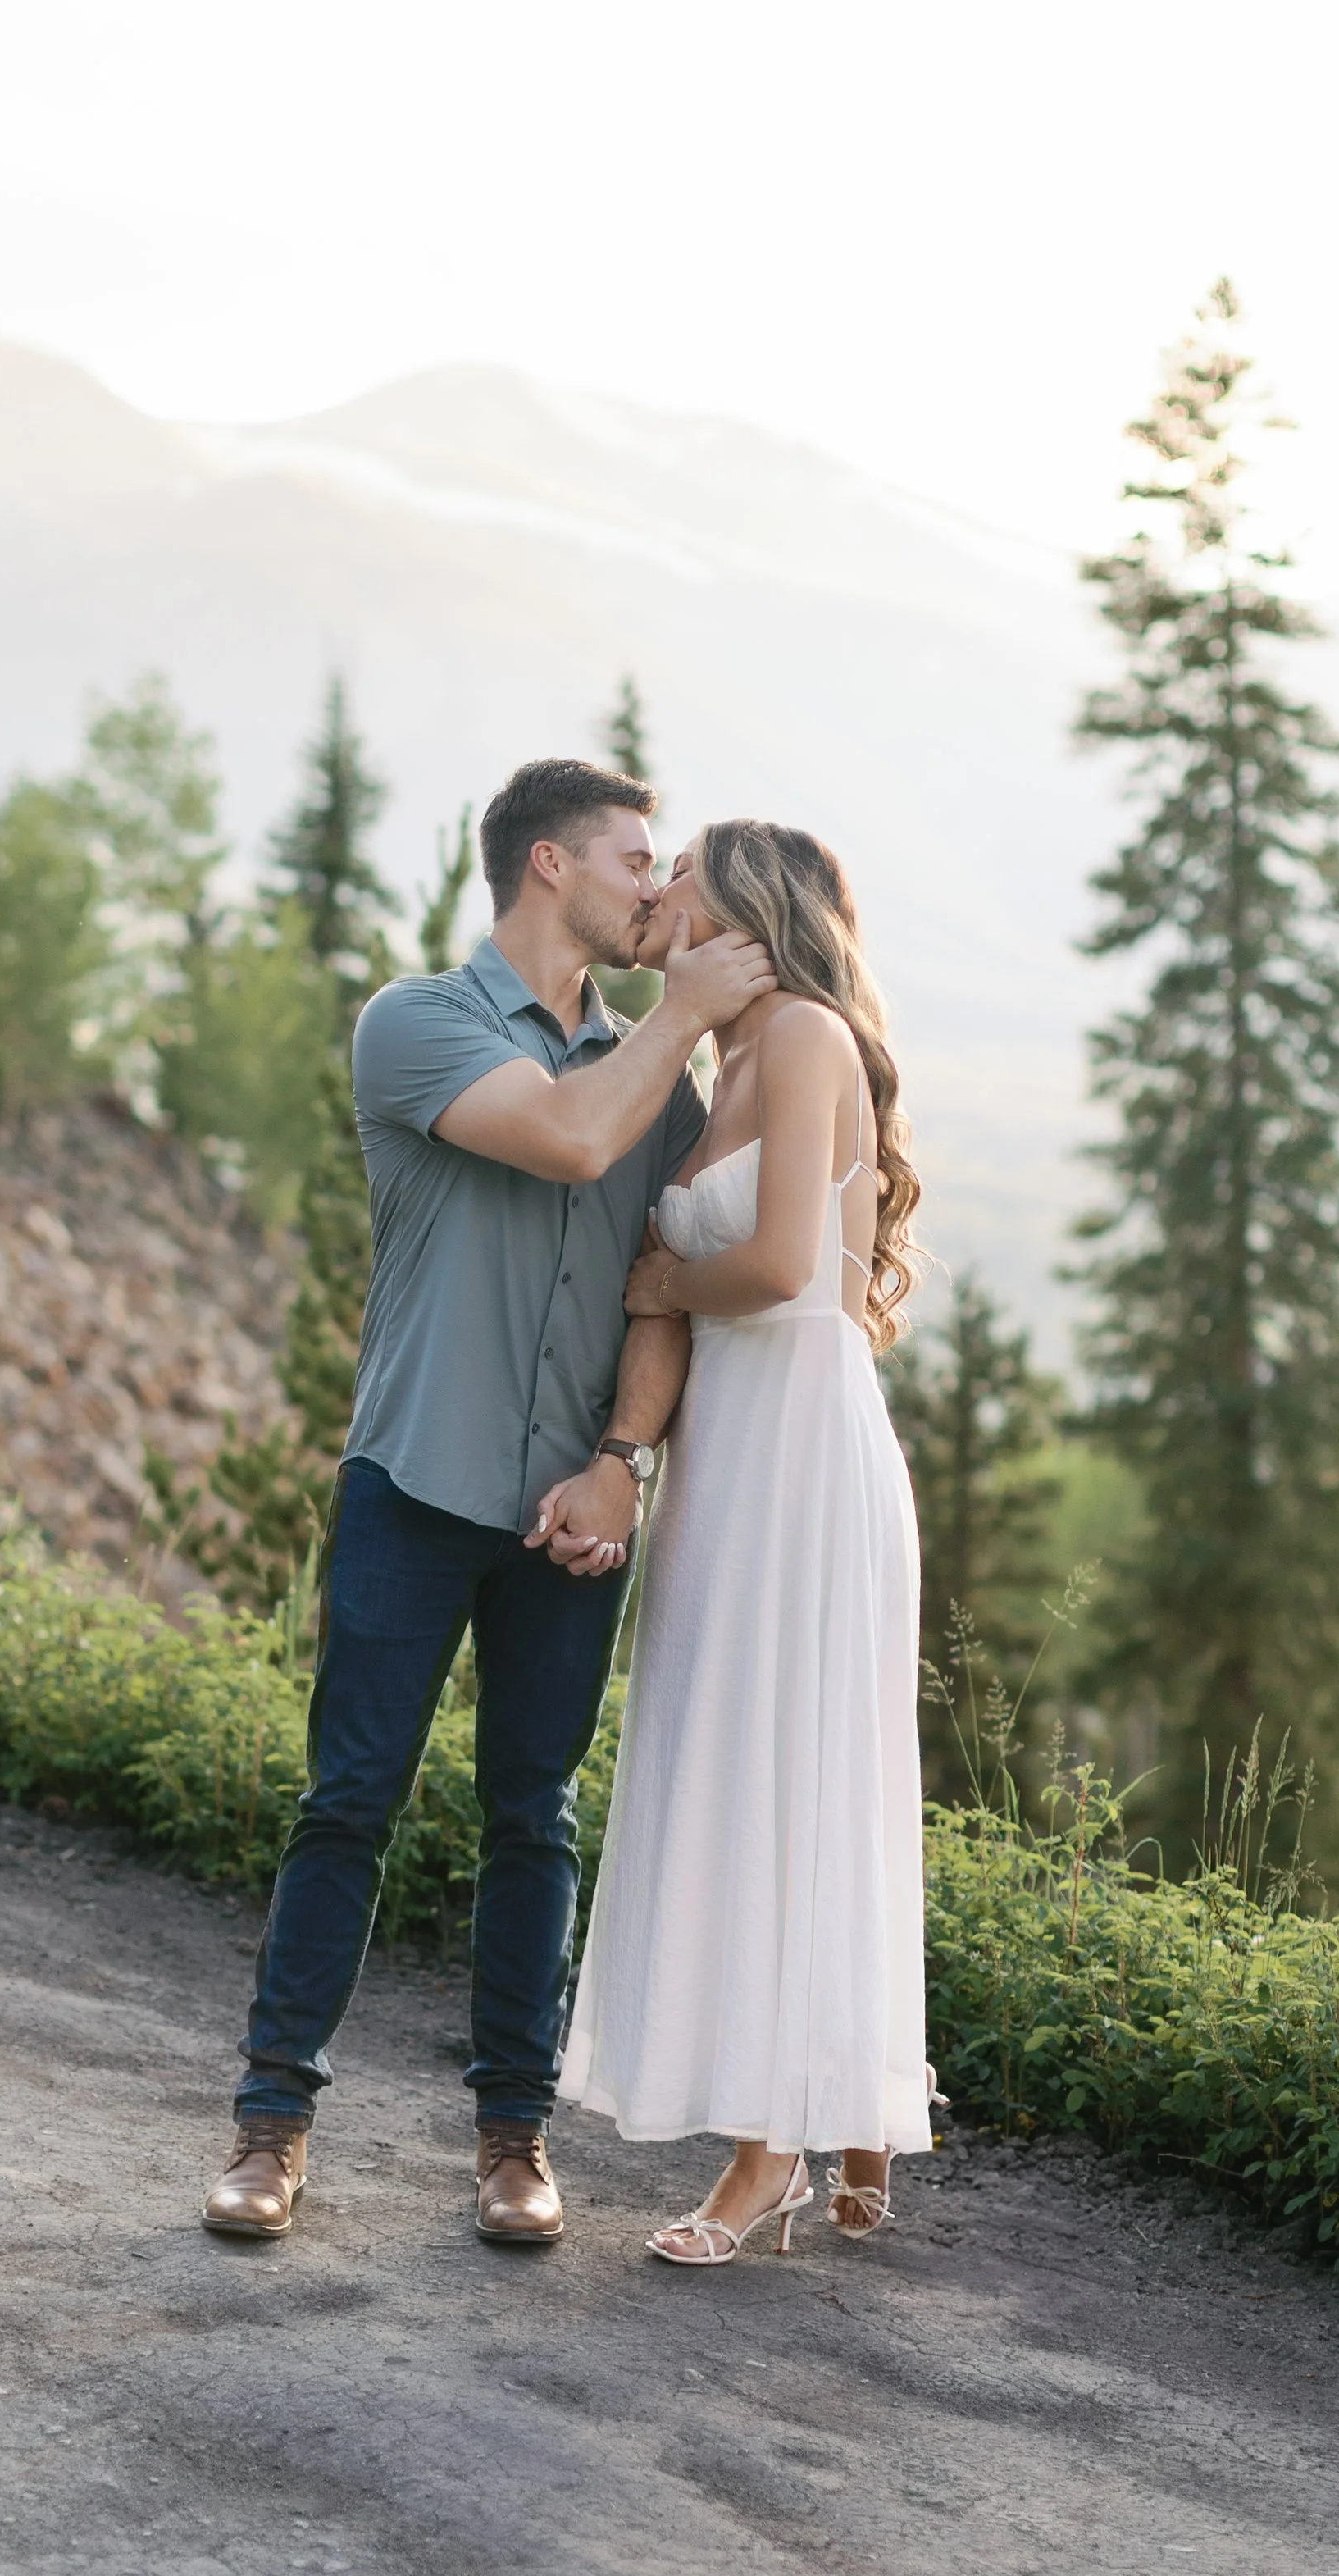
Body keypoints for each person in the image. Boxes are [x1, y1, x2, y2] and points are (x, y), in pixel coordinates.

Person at [203, 759, 776, 2245]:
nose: (660, 889)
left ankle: (513, 2142)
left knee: (538, 1814)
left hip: (564, 1513)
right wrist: (688, 1018)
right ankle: (272, 2130)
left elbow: (660, 1293)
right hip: (415, 1480)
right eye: (636, 859)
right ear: (546, 868)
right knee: (351, 1801)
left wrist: (624, 1461)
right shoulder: (419, 1023)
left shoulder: (662, 1072)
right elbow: (575, 1137)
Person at [558, 818, 932, 2262]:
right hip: (731, 1455)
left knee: (792, 1771)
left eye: (683, 881)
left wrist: (658, 1270)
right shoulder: (722, 1058)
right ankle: (842, 2108)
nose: (659, 896)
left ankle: (765, 2154)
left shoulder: (811, 1042)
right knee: (759, 1767)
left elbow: (781, 1269)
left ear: (747, 914)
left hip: (802, 1451)